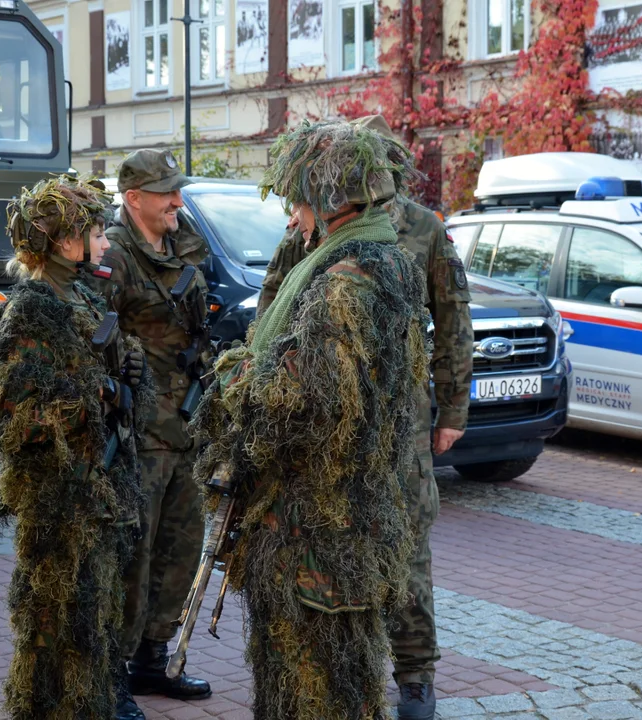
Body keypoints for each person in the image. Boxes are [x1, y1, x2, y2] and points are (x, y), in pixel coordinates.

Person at [191, 119, 431, 719]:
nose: (292, 216)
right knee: (339, 685)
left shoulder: (344, 283)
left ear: (329, 200)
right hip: (349, 518)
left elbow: (301, 401)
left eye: (297, 199)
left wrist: (233, 377)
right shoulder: (388, 261)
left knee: (311, 691)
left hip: (314, 531)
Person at [257, 115, 474, 720]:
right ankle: (348, 671)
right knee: (345, 539)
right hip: (340, 426)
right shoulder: (310, 234)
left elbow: (453, 322)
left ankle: (414, 676)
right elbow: (272, 311)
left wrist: (453, 408)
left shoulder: (423, 231)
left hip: (402, 418)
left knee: (408, 544)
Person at [0, 175, 155, 719]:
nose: (104, 244)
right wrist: (99, 393)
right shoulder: (33, 308)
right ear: (65, 240)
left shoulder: (78, 295)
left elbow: (105, 371)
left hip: (98, 496)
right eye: (96, 233)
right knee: (57, 636)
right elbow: (14, 419)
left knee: (93, 626)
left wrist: (127, 372)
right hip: (62, 504)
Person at [88, 149, 211, 717]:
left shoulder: (181, 241)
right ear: (133, 198)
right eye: (166, 193)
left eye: (177, 191)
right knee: (133, 553)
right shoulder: (114, 253)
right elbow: (97, 340)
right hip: (140, 429)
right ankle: (112, 673)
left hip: (185, 421)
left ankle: (151, 659)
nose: (177, 203)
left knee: (181, 546)